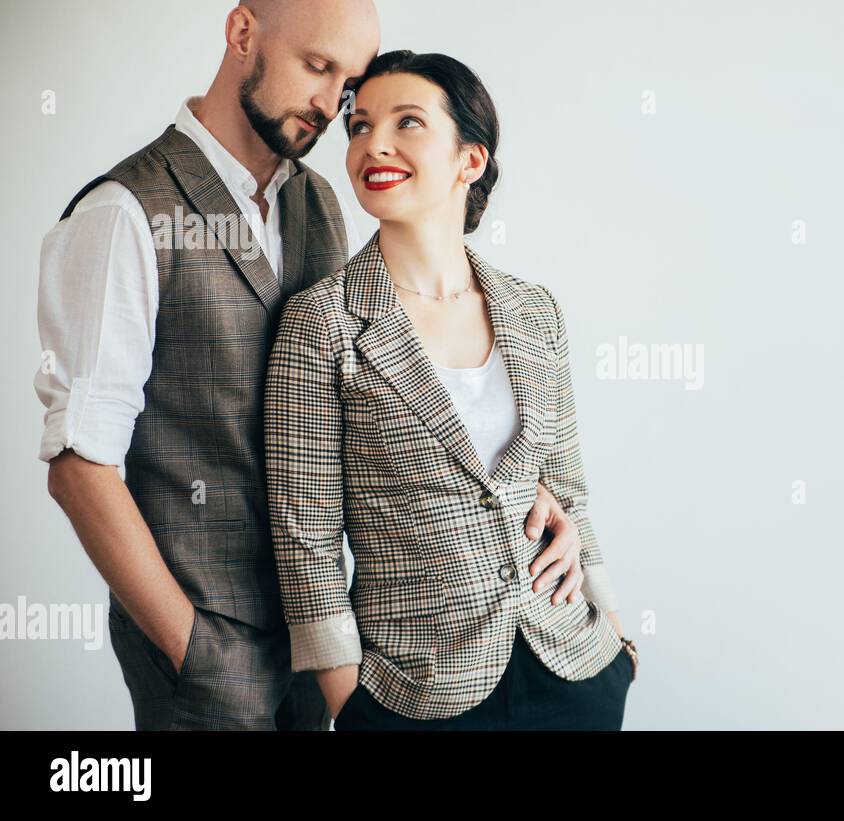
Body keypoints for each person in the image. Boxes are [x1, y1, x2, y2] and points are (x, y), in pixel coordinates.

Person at [35, 0, 580, 730]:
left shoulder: (320, 201)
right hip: (204, 659)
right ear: (241, 33)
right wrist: (191, 647)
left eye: (348, 84)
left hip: (332, 645)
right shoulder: (123, 212)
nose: (332, 105)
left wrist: (532, 494)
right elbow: (80, 465)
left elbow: (389, 400)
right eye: (317, 66)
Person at [264, 50, 638, 730]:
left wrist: (614, 629)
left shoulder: (534, 310)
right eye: (360, 124)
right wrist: (347, 697)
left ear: (470, 158)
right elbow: (306, 535)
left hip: (572, 667)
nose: (373, 143)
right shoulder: (321, 321)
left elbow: (568, 488)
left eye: (408, 123)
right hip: (418, 692)